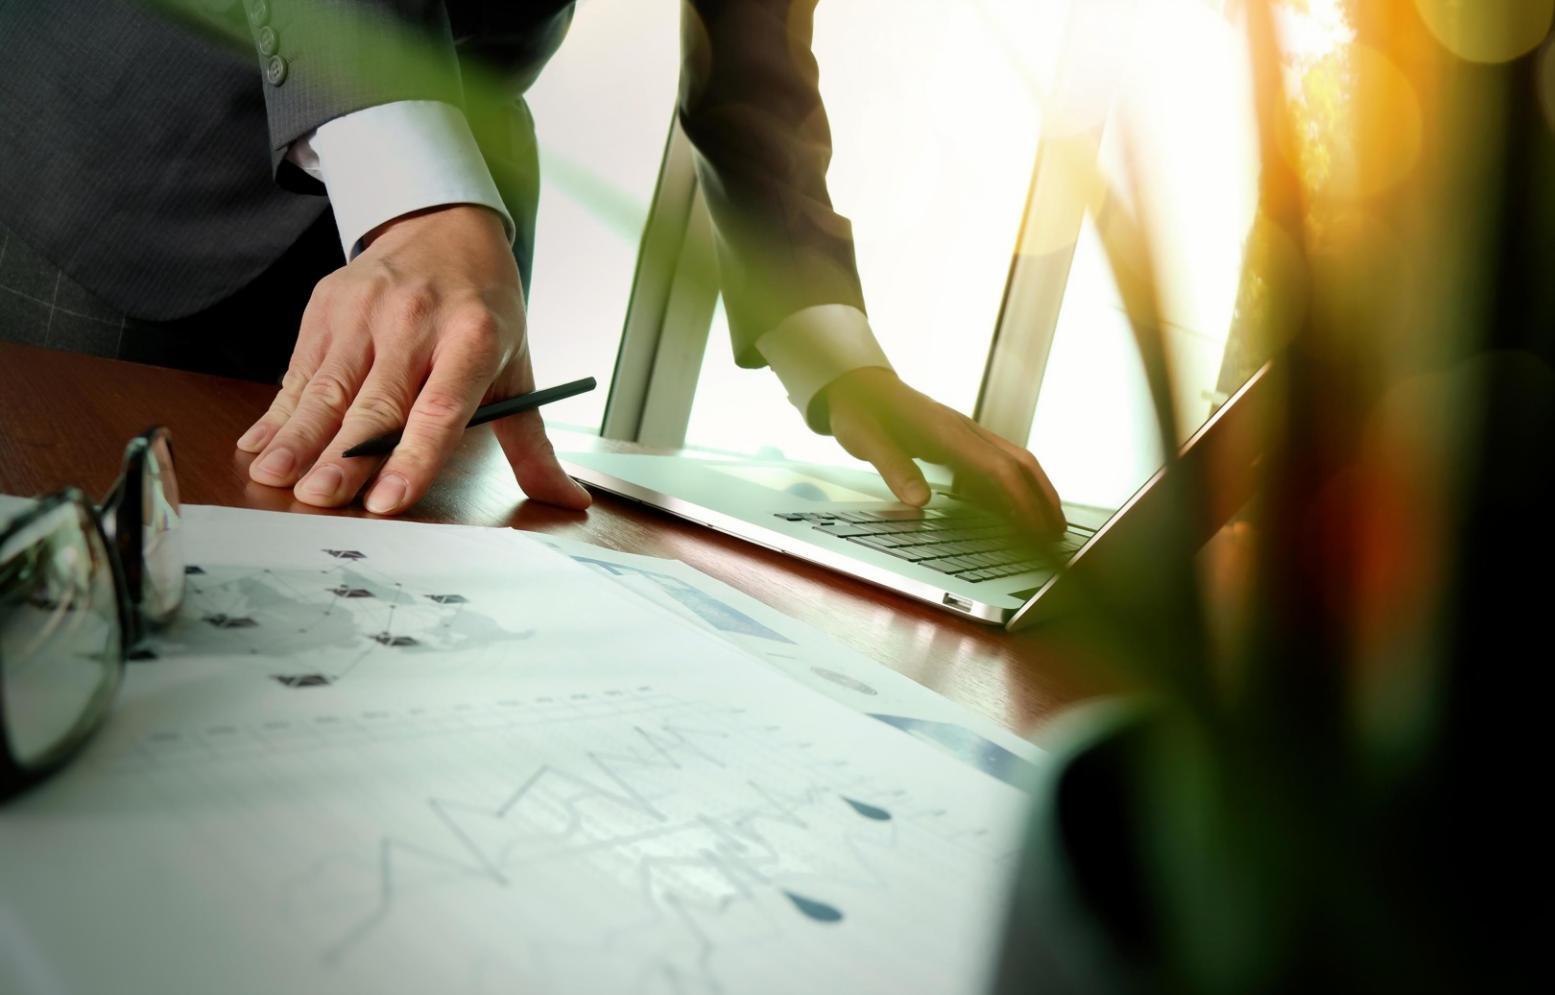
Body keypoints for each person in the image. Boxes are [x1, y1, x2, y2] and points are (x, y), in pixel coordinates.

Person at [0, 0, 1063, 534]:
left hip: (465, 223)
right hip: (138, 161)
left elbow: (757, 56)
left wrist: (836, 351)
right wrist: (410, 186)